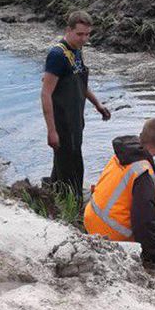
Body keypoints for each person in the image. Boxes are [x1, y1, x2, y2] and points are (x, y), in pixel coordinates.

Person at [84, 118, 155, 267]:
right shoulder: (143, 172)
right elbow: (144, 222)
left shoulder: (123, 155)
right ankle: (148, 260)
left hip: (91, 225)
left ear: (140, 136)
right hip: (111, 240)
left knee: (153, 206)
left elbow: (147, 192)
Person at [40, 10, 111, 203]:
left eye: (88, 34)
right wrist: (51, 131)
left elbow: (81, 83)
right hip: (62, 122)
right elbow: (46, 93)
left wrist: (97, 104)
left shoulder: (77, 51)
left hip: (75, 120)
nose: (84, 39)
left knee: (64, 163)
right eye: (80, 34)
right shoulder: (57, 55)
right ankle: (72, 204)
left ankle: (51, 193)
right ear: (68, 30)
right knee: (72, 166)